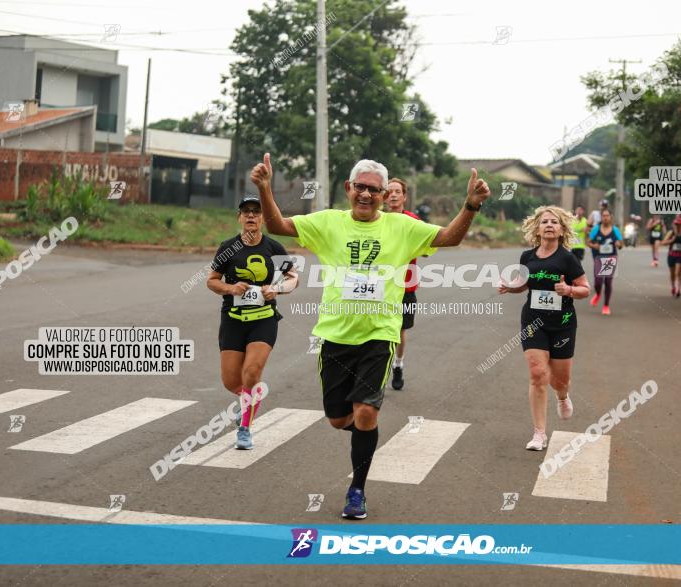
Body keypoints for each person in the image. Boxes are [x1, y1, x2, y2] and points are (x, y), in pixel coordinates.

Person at [252, 154, 490, 519]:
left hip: (379, 335)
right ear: (349, 188)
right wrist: (265, 189)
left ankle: (357, 489)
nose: (365, 194)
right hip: (333, 335)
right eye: (359, 187)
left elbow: (449, 237)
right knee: (337, 419)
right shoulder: (327, 222)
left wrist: (470, 206)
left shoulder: (402, 227)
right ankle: (366, 431)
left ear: (384, 194)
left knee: (364, 412)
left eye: (373, 190)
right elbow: (279, 225)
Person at [207, 195, 299, 450]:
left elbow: (293, 278)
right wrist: (230, 287)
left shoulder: (273, 248)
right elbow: (211, 280)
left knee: (251, 373)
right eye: (246, 212)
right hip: (233, 320)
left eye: (256, 212)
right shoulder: (228, 248)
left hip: (264, 320)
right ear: (239, 217)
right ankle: (250, 398)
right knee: (231, 381)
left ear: (262, 219)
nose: (251, 216)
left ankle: (244, 429)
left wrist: (277, 289)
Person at [497, 206, 591, 451]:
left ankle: (562, 396)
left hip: (562, 324)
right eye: (545, 222)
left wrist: (568, 290)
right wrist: (511, 287)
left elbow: (585, 289)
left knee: (560, 380)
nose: (549, 225)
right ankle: (539, 433)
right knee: (538, 374)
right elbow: (524, 284)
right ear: (537, 228)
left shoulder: (568, 258)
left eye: (554, 222)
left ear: (561, 230)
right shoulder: (527, 257)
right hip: (533, 321)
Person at [385, 177, 419, 390]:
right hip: (380, 286)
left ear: (404, 196)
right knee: (379, 330)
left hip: (405, 286)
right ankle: (379, 370)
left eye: (398, 191)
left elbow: (425, 248)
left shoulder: (413, 220)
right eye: (389, 191)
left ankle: (398, 365)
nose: (394, 194)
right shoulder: (377, 219)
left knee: (399, 330)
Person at [587, 208, 623, 315]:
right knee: (598, 282)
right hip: (599, 258)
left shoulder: (615, 230)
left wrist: (618, 244)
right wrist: (594, 246)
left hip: (610, 258)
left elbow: (621, 245)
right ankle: (598, 294)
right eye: (604, 216)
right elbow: (588, 242)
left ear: (610, 217)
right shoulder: (596, 229)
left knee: (608, 282)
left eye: (607, 216)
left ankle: (606, 305)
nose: (605, 218)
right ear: (601, 217)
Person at [661, 217, 681, 297]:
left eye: (679, 225)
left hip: (680, 256)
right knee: (672, 273)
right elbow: (663, 243)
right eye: (676, 224)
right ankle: (673, 287)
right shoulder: (671, 233)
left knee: (678, 273)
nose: (677, 226)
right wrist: (672, 240)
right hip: (671, 255)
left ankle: (678, 289)